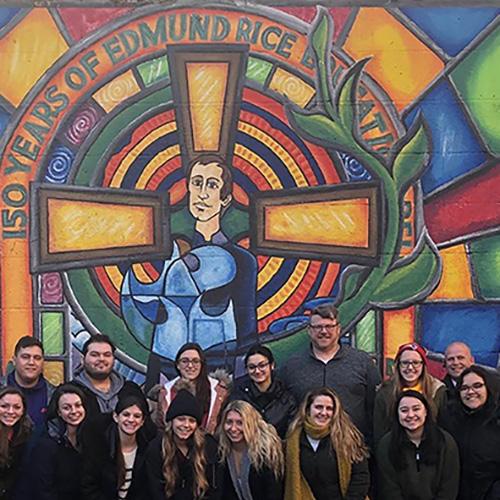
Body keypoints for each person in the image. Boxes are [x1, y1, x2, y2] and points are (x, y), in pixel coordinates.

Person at [122, 155, 258, 384]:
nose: (202, 193)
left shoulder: (243, 261)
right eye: (196, 182)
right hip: (168, 366)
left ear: (225, 199)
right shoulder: (167, 251)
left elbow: (246, 330)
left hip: (219, 366)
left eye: (212, 185)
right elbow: (160, 321)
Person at [280, 303, 380, 443]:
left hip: (353, 449)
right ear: (309, 330)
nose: (324, 331)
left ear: (338, 329)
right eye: (318, 327)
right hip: (305, 451)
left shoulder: (362, 362)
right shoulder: (292, 366)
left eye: (329, 326)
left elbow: (375, 408)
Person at [284, 387, 369, 500]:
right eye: (318, 407)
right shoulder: (292, 440)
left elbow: (361, 476)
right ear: (308, 409)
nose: (323, 413)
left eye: (329, 408)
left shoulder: (348, 438)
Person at [376, 390, 459, 500]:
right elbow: (389, 488)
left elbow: (449, 486)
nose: (410, 415)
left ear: (426, 411)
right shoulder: (386, 445)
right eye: (404, 410)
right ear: (397, 414)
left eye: (416, 409)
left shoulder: (445, 442)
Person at [145, 389, 220, 500]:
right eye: (181, 419)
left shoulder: (209, 446)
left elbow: (215, 489)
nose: (186, 425)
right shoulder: (156, 448)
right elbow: (155, 491)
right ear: (172, 421)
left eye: (191, 421)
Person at [442, 366, 500, 500]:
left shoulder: (497, 421)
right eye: (464, 388)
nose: (471, 392)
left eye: (477, 386)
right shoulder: (448, 420)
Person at [81, 393, 153, 500]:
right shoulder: (99, 447)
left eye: (137, 416)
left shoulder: (147, 448)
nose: (131, 420)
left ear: (142, 421)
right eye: (126, 414)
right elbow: (89, 487)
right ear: (115, 417)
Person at [374, 342, 446, 445]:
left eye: (416, 362)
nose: (410, 367)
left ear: (423, 365)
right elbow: (379, 433)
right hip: (395, 451)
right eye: (405, 363)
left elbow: (442, 428)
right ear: (398, 365)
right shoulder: (385, 393)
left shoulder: (437, 390)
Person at [71, 334, 150, 422]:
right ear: (83, 359)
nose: (101, 359)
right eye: (94, 355)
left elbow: (146, 428)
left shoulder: (130, 390)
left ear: (114, 359)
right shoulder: (71, 392)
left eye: (107, 355)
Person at [31, 384, 88, 500]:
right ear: (58, 412)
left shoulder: (90, 436)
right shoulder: (46, 443)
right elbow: (44, 489)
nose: (74, 411)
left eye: (78, 405)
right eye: (67, 407)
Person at [157, 343, 229, 434]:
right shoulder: (165, 393)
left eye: (195, 361)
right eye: (185, 361)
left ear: (201, 364)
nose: (190, 366)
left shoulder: (219, 392)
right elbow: (160, 428)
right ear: (178, 365)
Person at [218, 400, 284, 499]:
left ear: (250, 424)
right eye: (229, 422)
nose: (233, 428)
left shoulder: (265, 454)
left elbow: (274, 494)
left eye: (240, 423)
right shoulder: (223, 451)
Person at [230, 345, 296, 438]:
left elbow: (292, 433)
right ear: (246, 370)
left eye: (262, 365)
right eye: (252, 367)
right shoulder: (239, 396)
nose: (257, 371)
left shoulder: (286, 398)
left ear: (272, 365)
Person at [1, 336, 55, 429]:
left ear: (43, 362)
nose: (31, 362)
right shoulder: (2, 388)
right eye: (25, 357)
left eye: (37, 358)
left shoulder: (54, 395)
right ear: (14, 360)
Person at [0, 387, 33, 500]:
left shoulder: (25, 433)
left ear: (23, 410)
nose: (10, 412)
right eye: (4, 406)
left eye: (17, 407)